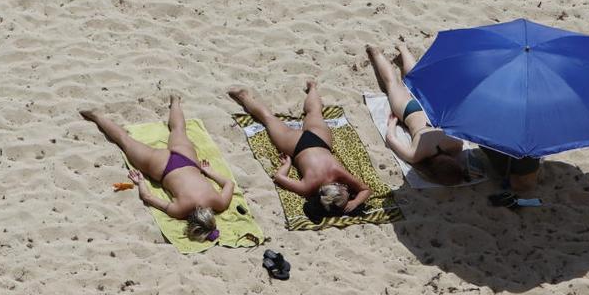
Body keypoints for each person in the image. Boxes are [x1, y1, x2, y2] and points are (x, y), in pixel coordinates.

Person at [80, 95, 234, 241]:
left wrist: (210, 172)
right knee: (125, 141)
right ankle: (96, 116)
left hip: (189, 161)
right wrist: (140, 181)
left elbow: (229, 184)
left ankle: (175, 101)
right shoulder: (180, 211)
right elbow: (148, 197)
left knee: (178, 129)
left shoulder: (219, 202)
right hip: (162, 167)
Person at [228, 81, 371, 215]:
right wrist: (287, 164)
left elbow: (365, 189)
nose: (347, 189)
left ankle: (312, 86)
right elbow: (279, 177)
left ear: (338, 187)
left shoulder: (337, 173)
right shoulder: (308, 187)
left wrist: (356, 200)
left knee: (313, 112)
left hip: (320, 141)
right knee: (268, 118)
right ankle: (243, 96)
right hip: (297, 147)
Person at [365, 43, 467, 186]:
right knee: (392, 83)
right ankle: (376, 53)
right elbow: (391, 138)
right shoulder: (415, 156)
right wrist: (393, 123)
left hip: (430, 108)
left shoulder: (456, 145)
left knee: (416, 77)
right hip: (409, 112)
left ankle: (403, 48)